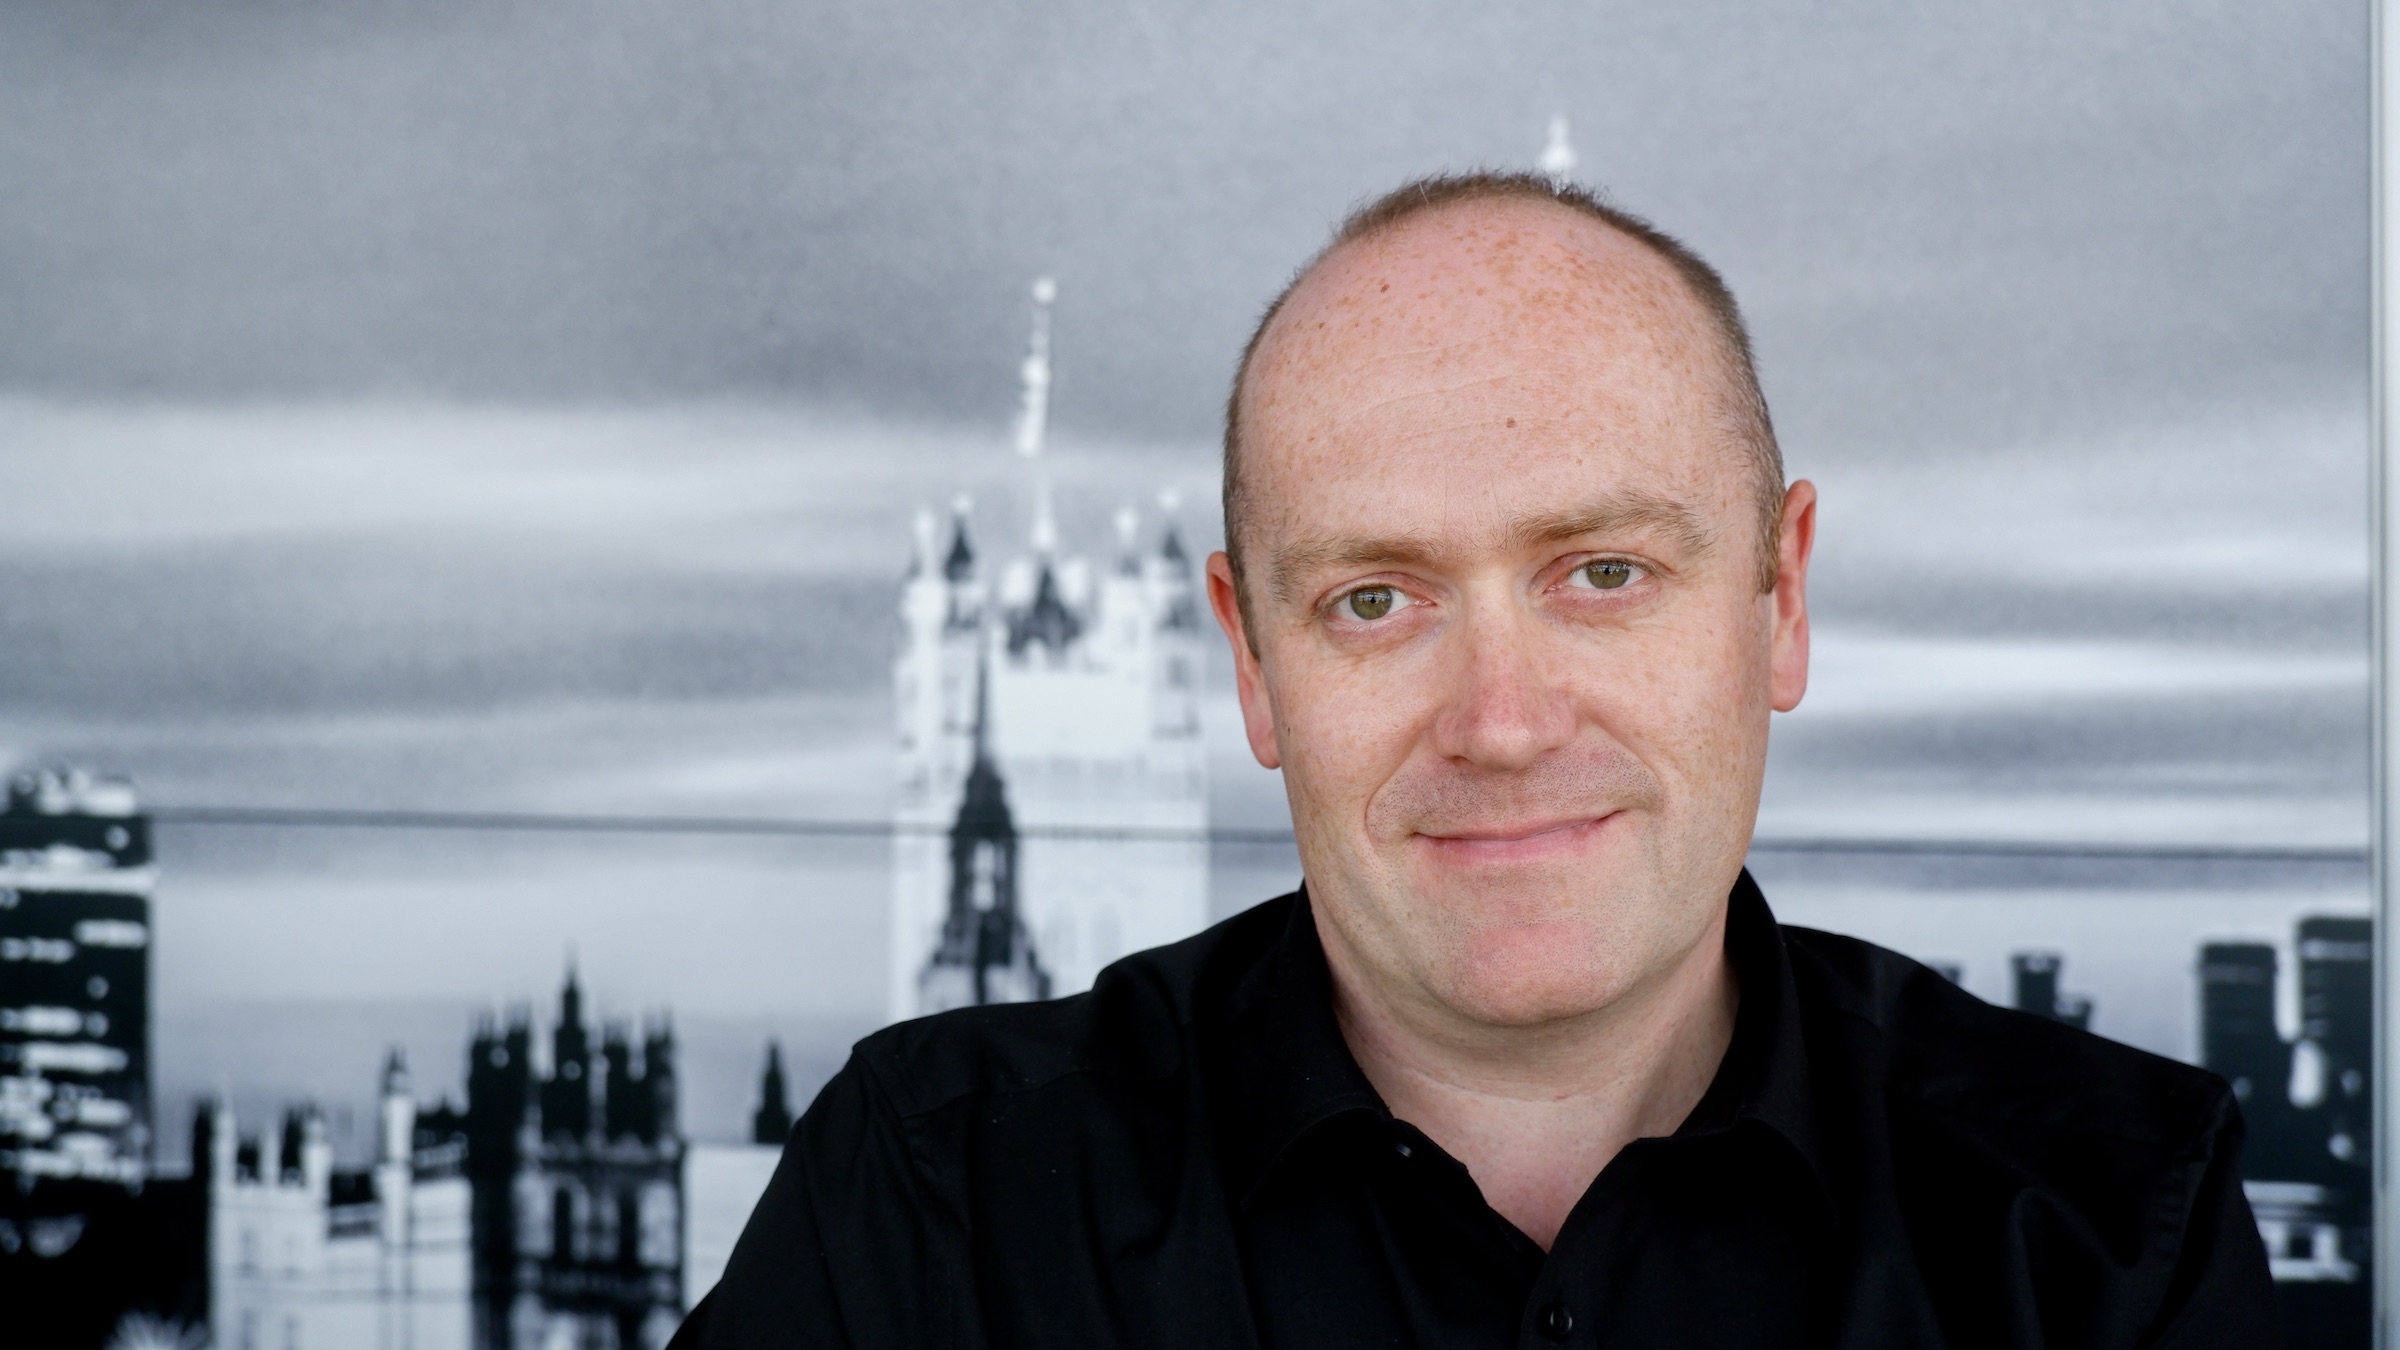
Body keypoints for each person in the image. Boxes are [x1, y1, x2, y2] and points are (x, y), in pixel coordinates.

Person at [674, 173, 2279, 1348]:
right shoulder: (941, 1190)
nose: (1503, 723)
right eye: (1376, 599)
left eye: (1603, 573)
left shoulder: (2106, 1228)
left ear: (1779, 601)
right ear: (1250, 660)